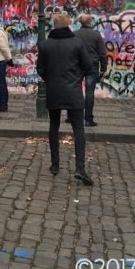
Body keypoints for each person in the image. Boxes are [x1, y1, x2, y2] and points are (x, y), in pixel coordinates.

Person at [37, 13, 94, 185]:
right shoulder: (77, 43)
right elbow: (88, 65)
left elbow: (40, 68)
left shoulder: (45, 45)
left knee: (54, 125)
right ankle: (80, 168)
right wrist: (77, 78)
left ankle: (55, 165)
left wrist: (51, 80)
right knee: (78, 129)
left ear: (54, 26)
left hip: (53, 91)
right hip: (74, 91)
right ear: (68, 25)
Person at [73, 14, 107, 127]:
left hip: (78, 66)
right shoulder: (96, 35)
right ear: (90, 22)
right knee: (89, 93)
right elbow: (102, 53)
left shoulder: (74, 34)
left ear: (81, 23)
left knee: (75, 90)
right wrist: (103, 67)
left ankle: (73, 117)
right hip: (92, 66)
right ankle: (88, 119)